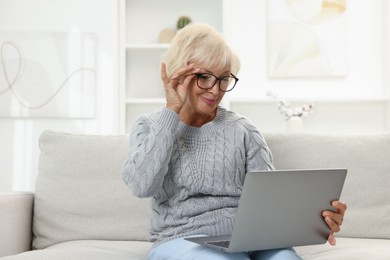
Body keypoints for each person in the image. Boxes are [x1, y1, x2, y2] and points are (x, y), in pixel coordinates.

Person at [122, 23, 347, 260]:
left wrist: (318, 221)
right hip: (182, 239)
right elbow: (141, 186)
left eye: (223, 79)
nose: (215, 90)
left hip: (253, 238)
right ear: (178, 74)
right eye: (204, 77)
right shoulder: (150, 126)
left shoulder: (243, 130)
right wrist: (171, 112)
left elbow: (271, 202)